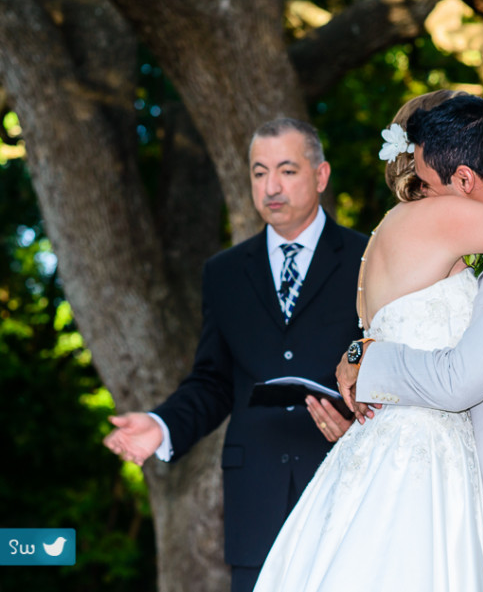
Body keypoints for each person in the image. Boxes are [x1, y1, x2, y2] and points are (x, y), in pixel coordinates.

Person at [252, 91, 483, 592]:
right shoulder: (471, 227)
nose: (423, 188)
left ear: (461, 177)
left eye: (430, 180)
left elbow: (451, 374)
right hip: (443, 468)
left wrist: (365, 359)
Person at [103, 118, 368, 592]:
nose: (271, 187)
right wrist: (161, 425)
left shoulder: (367, 259)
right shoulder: (223, 273)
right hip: (255, 500)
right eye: (259, 172)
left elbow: (388, 366)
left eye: (287, 170)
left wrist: (363, 429)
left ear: (321, 175)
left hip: (343, 483)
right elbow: (212, 381)